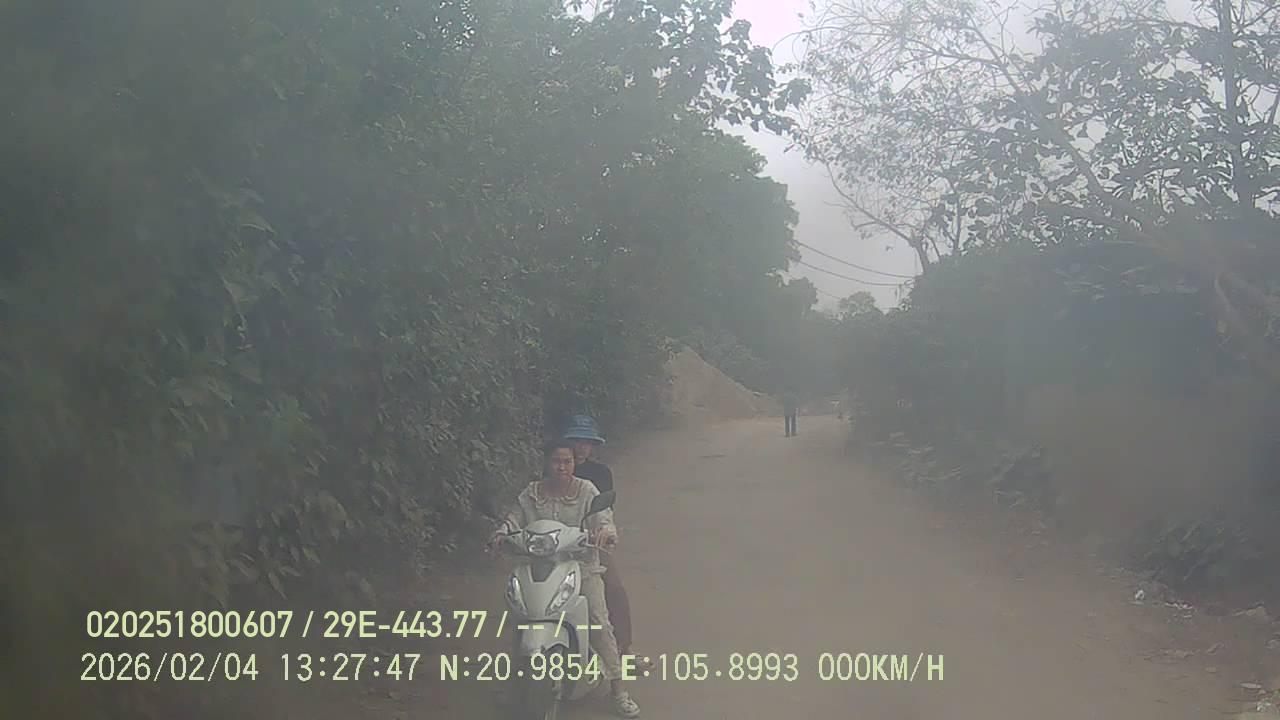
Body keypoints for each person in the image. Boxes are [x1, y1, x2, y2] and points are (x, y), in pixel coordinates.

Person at [489, 440, 641, 718]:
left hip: (581, 567)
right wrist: (502, 533)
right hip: (536, 567)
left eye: (567, 461)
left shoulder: (587, 491)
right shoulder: (532, 493)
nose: (561, 467)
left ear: (574, 463)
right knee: (518, 618)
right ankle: (516, 681)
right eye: (556, 461)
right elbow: (514, 518)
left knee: (598, 623)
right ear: (546, 463)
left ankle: (619, 691)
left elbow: (604, 519)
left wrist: (606, 532)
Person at [560, 414, 652, 671]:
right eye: (576, 441)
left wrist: (602, 533)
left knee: (614, 589)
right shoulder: (555, 469)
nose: (581, 447)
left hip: (590, 543)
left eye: (587, 442)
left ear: (593, 446)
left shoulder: (600, 474)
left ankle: (625, 650)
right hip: (555, 545)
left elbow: (604, 513)